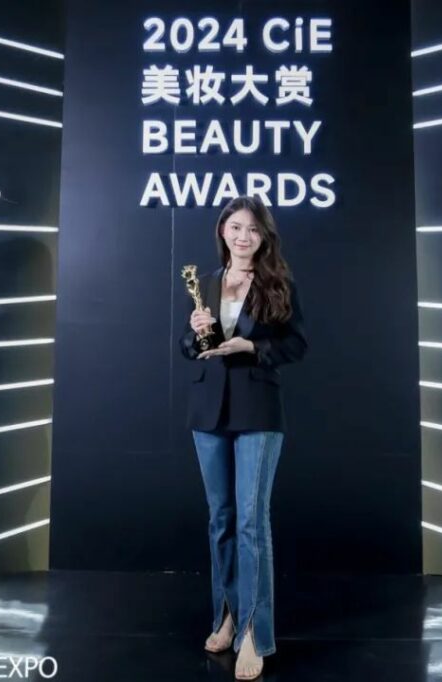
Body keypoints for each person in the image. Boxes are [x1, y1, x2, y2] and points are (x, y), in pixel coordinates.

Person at [179, 195, 307, 680]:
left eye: (253, 229)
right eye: (235, 227)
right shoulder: (206, 283)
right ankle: (228, 616)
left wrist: (252, 345)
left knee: (252, 522)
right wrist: (195, 333)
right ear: (223, 231)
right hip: (208, 410)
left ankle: (256, 632)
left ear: (263, 236)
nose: (243, 236)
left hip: (258, 410)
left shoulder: (278, 283)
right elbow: (188, 347)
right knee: (221, 519)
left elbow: (296, 343)